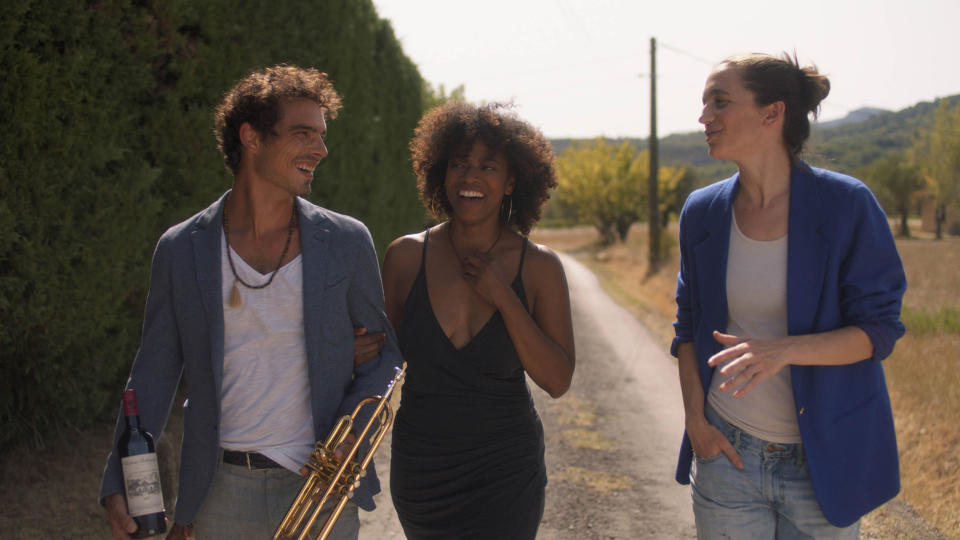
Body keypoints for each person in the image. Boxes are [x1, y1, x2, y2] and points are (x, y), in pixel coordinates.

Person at [99, 64, 402, 540]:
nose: (320, 149)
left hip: (320, 489)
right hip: (218, 494)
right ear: (251, 137)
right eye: (303, 133)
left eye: (322, 135)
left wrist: (352, 432)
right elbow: (153, 373)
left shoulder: (347, 241)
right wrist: (119, 478)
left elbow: (384, 356)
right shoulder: (181, 249)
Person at [672, 52, 907, 539]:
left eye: (720, 102)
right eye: (704, 104)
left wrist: (785, 351)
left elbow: (879, 331)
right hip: (727, 454)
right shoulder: (703, 212)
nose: (704, 118)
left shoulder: (847, 206)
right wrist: (697, 420)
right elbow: (688, 326)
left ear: (772, 113)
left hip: (822, 462)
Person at [380, 102, 575, 539]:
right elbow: (381, 364)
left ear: (510, 182)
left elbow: (558, 381)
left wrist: (505, 299)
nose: (470, 177)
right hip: (423, 470)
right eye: (458, 164)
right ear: (441, 174)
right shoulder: (405, 257)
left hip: (505, 469)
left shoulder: (539, 267)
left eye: (488, 166)